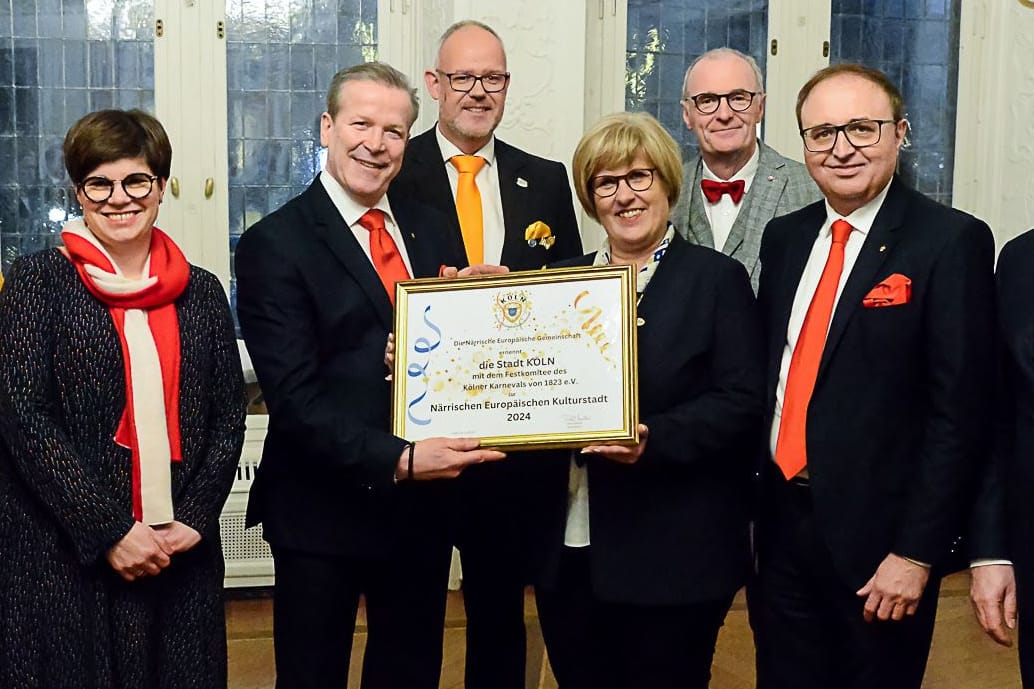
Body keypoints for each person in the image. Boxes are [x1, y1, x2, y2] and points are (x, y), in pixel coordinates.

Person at [234, 62, 505, 689]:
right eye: (361, 124)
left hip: (421, 509)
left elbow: (447, 355)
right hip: (322, 509)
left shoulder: (433, 226)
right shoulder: (274, 243)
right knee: (312, 675)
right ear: (327, 128)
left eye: (394, 131)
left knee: (410, 671)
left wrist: (481, 316)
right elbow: (295, 400)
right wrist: (403, 458)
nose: (375, 144)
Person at [750, 63, 995, 689]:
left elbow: (958, 414)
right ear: (803, 144)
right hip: (779, 529)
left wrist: (917, 553)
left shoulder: (950, 241)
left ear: (900, 132)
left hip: (881, 546)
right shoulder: (785, 239)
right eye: (822, 133)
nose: (842, 148)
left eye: (862, 128)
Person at [0, 108, 247, 688]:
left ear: (160, 186)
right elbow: (23, 419)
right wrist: (111, 530)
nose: (119, 199)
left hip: (178, 551)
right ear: (77, 191)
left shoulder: (203, 291)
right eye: (99, 183)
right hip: (66, 555)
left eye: (136, 180)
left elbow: (228, 418)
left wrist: (192, 517)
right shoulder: (37, 282)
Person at [530, 111, 764, 689]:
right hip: (570, 546)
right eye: (606, 183)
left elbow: (739, 401)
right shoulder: (556, 281)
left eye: (639, 177)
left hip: (675, 547)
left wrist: (652, 439)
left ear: (666, 183)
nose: (625, 196)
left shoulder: (716, 280)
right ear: (590, 198)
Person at [389, 20, 582, 689]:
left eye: (492, 78)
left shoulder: (546, 179)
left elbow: (568, 304)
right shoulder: (392, 169)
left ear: (506, 87)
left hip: (511, 448)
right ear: (435, 86)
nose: (478, 91)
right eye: (463, 78)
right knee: (408, 620)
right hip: (419, 434)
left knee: (499, 616)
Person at [671, 47, 820, 292]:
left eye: (738, 98)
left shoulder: (813, 188)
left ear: (760, 107)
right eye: (707, 100)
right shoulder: (665, 194)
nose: (725, 114)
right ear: (687, 114)